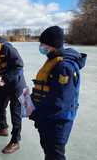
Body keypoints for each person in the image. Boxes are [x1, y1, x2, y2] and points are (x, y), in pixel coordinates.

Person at [29, 26, 87, 160]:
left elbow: (61, 102)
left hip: (58, 121)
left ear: (51, 45)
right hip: (47, 117)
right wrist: (31, 100)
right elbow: (48, 89)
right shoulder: (53, 59)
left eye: (42, 44)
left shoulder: (64, 67)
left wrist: (36, 113)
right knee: (48, 150)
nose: (41, 46)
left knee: (55, 154)